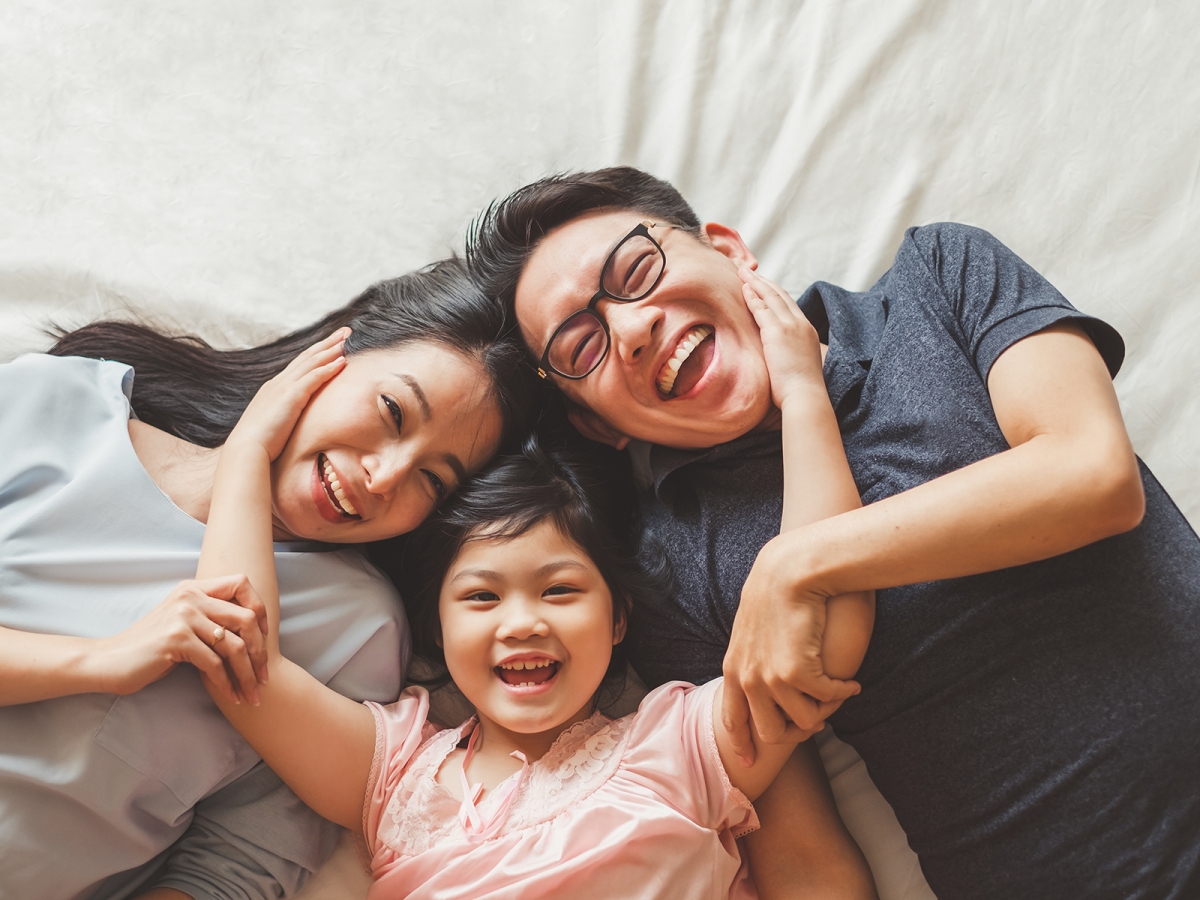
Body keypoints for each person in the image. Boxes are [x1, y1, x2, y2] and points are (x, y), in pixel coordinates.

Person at [465, 167, 1200, 899]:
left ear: (729, 250)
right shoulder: (670, 567)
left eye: (636, 269)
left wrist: (796, 565)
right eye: (579, 348)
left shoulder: (939, 277)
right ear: (597, 425)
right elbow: (806, 858)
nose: (631, 329)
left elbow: (1093, 475)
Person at [183, 324, 877, 898]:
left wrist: (803, 397)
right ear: (437, 629)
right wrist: (248, 451)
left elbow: (823, 628)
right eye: (482, 596)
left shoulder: (679, 747)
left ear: (618, 620)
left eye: (560, 591)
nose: (522, 623)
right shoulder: (394, 772)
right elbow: (240, 655)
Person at [0, 260, 533, 900]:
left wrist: (250, 459)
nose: (385, 477)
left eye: (432, 479)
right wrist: (97, 662)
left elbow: (236, 868)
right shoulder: (56, 403)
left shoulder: (356, 625)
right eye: (392, 410)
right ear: (330, 354)